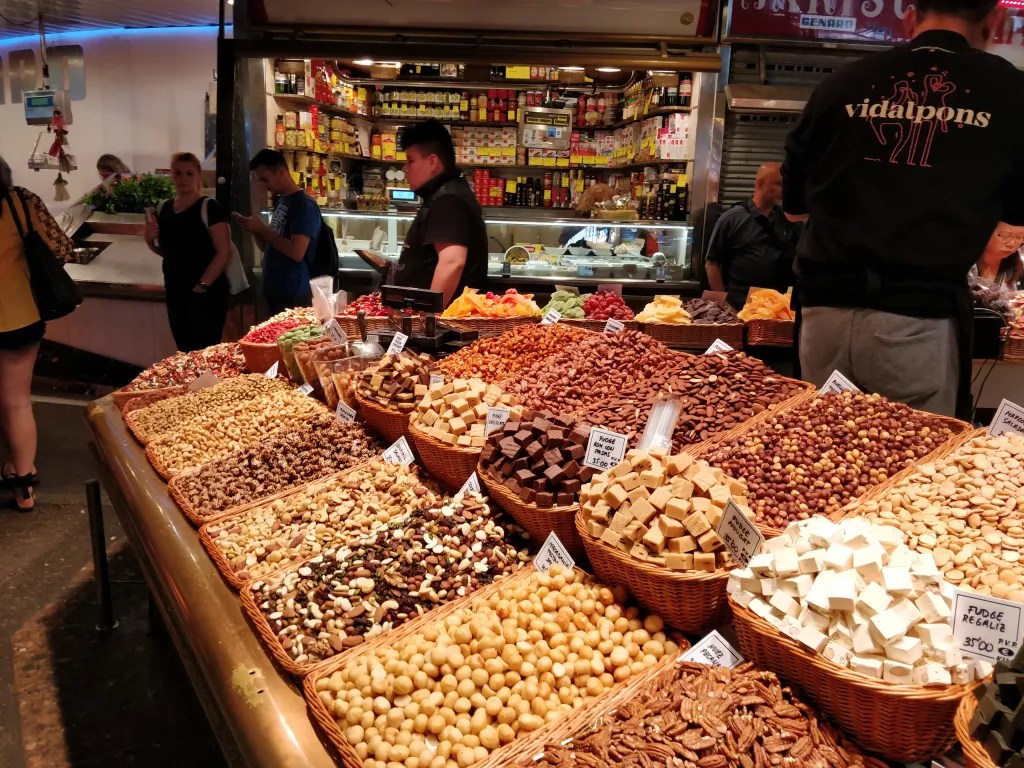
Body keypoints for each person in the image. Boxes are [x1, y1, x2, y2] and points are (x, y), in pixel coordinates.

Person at [782, 0, 1024, 418]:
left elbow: (793, 207)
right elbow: (1014, 215)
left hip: (825, 314)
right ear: (994, 23)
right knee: (912, 468)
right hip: (917, 320)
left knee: (816, 461)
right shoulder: (1011, 93)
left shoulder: (844, 81)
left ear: (909, 18)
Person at [0, 155, 74, 511]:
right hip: (17, 317)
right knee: (17, 401)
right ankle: (24, 485)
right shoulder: (21, 201)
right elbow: (61, 247)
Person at [390, 120, 487, 307]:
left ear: (432, 162)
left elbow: (452, 262)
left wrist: (428, 317)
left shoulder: (448, 199)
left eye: (411, 160)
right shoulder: (447, 193)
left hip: (445, 327)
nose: (405, 169)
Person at [143, 152, 231, 352]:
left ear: (198, 176)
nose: (183, 179)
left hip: (206, 294)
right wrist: (149, 239)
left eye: (189, 173)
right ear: (171, 175)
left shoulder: (209, 207)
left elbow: (224, 252)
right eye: (178, 173)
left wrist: (202, 285)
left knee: (206, 353)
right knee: (184, 351)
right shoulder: (164, 208)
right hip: (176, 291)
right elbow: (166, 251)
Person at [235, 149, 320, 313]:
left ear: (281, 172)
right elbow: (269, 246)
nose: (264, 186)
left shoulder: (303, 205)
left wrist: (262, 229)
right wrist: (254, 230)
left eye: (265, 179)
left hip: (294, 292)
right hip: (276, 290)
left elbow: (297, 252)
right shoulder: (282, 201)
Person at [705, 163, 797, 311]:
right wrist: (725, 306)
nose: (784, 189)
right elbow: (712, 264)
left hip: (775, 312)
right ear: (761, 184)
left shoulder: (786, 220)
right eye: (779, 184)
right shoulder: (732, 219)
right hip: (739, 309)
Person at [975, 225, 1024, 289]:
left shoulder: (1017, 267)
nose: (1012, 244)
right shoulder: (964, 264)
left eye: (1019, 237)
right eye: (1004, 235)